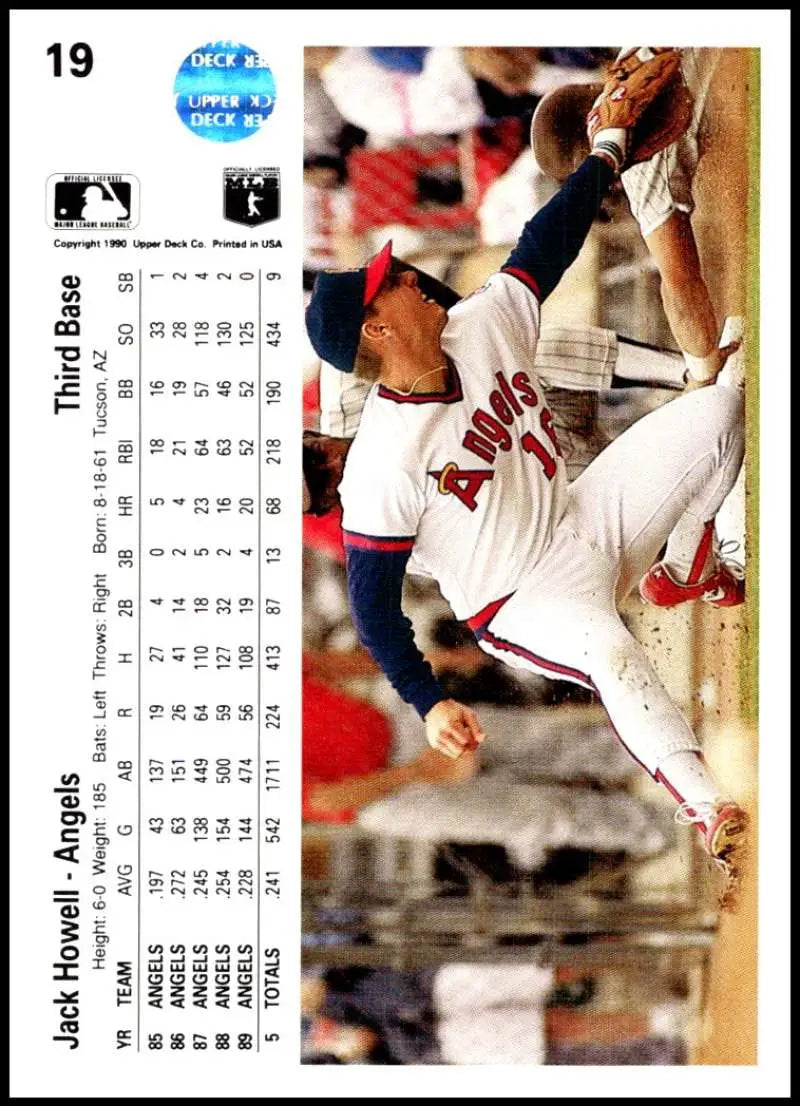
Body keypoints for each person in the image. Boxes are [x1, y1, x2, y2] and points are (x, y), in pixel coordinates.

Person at [304, 80, 748, 902]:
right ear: (377, 329)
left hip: (585, 514)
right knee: (615, 652)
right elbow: (372, 608)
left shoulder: (478, 326)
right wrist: (426, 700)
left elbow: (547, 241)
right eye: (389, 284)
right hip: (524, 603)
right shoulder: (380, 470)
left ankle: (688, 567)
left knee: (720, 411)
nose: (404, 276)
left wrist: (608, 150)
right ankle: (708, 809)